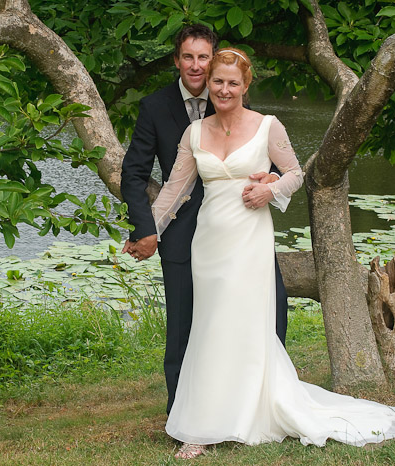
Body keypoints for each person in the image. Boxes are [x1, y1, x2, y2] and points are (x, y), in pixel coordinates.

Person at [151, 47, 395, 459]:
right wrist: (146, 232)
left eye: (232, 83)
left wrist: (269, 188)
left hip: (249, 238)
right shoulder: (195, 133)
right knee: (209, 323)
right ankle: (203, 422)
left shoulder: (267, 126)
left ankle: (247, 411)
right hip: (209, 242)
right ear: (209, 83)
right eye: (217, 81)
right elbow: (174, 190)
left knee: (242, 321)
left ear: (246, 85)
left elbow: (296, 173)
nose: (224, 89)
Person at [120, 24, 290, 417]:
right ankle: (182, 412)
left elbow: (271, 157)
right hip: (182, 230)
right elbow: (134, 174)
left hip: (243, 228)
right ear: (176, 60)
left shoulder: (229, 93)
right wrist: (146, 230)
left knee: (270, 307)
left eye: (203, 58)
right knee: (183, 324)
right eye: (187, 57)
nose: (196, 66)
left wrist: (273, 181)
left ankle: (263, 400)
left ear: (215, 62)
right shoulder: (154, 106)